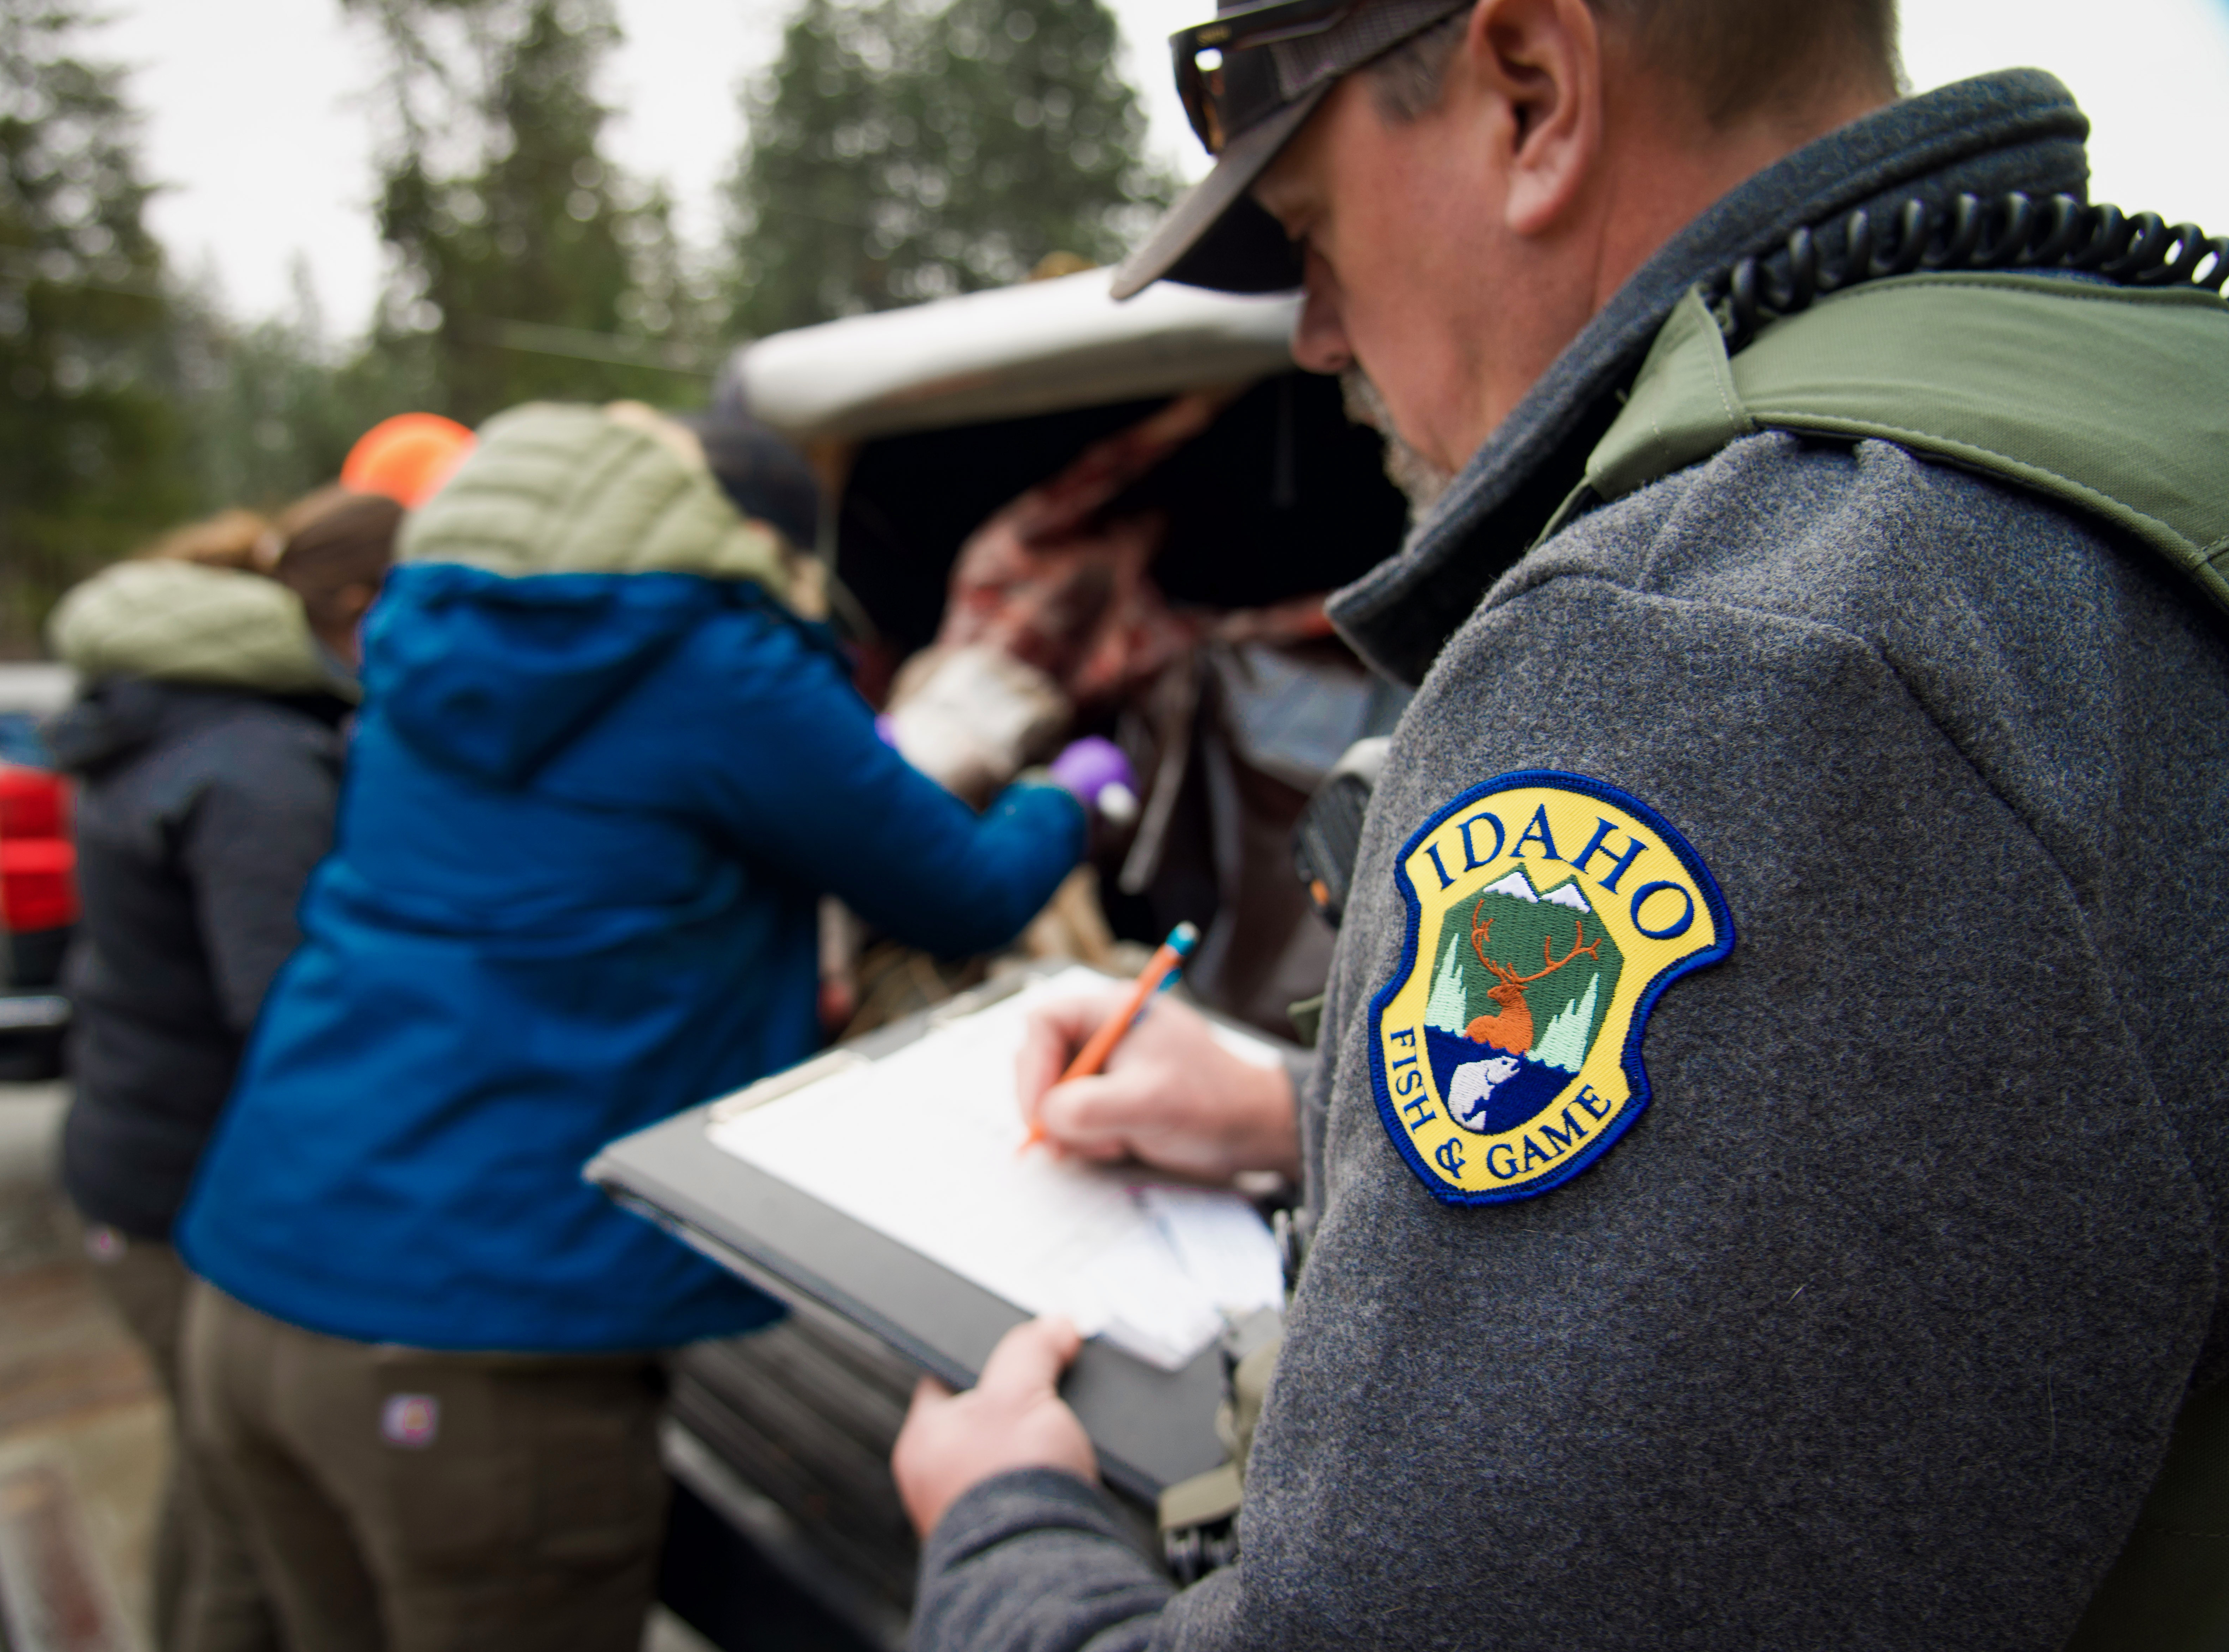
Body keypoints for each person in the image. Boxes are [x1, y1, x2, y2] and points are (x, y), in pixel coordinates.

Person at [888, 1, 2229, 1647]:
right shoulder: (2126, 429)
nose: (1314, 332)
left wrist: (1009, 1532)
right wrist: (1296, 1108)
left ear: (1532, 96)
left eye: (1309, 230)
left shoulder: (1706, 644)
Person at [173, 402, 1092, 1652]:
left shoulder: (425, 644)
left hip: (253, 1287)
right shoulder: (719, 662)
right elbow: (961, 889)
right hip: (474, 1353)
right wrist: (1065, 801)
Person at [46, 487, 400, 1652]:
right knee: (249, 1519)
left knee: (214, 1485)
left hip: (135, 1155)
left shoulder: (176, 720)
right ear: (351, 611)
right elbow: (290, 1011)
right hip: (185, 1186)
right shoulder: (255, 764)